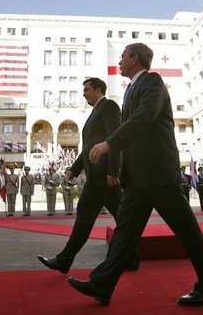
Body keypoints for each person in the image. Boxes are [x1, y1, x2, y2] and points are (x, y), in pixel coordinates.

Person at [67, 43, 203, 307]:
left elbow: (143, 118)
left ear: (135, 59)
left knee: (187, 232)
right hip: (138, 179)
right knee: (125, 232)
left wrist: (109, 144)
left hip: (159, 175)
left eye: (123, 56)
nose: (120, 60)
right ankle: (102, 284)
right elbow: (132, 128)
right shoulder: (131, 89)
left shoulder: (152, 82)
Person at [37, 77, 139, 275]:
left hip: (102, 176)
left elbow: (115, 139)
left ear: (99, 90)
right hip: (98, 176)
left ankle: (64, 260)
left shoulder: (108, 106)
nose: (84, 93)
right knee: (124, 218)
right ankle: (132, 258)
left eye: (87, 89)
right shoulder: (95, 112)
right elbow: (89, 147)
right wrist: (74, 169)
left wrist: (112, 170)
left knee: (84, 217)